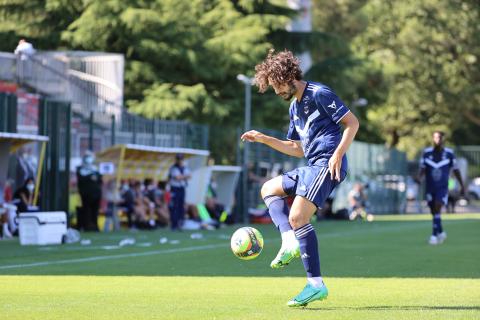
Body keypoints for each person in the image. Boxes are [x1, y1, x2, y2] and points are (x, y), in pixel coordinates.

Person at [241, 49, 359, 307]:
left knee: (297, 217)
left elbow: (352, 123)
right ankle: (289, 240)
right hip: (311, 164)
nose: (275, 92)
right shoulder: (294, 107)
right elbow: (298, 148)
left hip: (327, 164)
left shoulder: (319, 93)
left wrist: (338, 154)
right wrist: (264, 138)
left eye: (275, 85)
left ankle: (315, 284)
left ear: (287, 76)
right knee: (268, 189)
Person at [416, 131, 465, 245]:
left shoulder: (449, 153)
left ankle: (434, 236)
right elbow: (422, 168)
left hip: (442, 187)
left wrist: (462, 185)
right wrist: (419, 178)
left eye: (439, 137)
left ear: (443, 139)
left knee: (438, 206)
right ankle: (441, 232)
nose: (437, 139)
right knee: (433, 210)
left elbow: (456, 170)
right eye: (435, 137)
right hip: (430, 186)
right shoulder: (427, 153)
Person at [76, 151, 102, 231]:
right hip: (86, 195)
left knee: (95, 211)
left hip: (96, 194)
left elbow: (99, 179)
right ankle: (87, 226)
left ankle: (95, 226)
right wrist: (91, 177)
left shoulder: (95, 169)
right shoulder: (80, 169)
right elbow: (82, 179)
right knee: (86, 211)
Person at [168, 154, 191, 231]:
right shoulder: (173, 168)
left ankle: (180, 224)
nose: (180, 161)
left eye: (181, 159)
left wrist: (182, 177)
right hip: (175, 189)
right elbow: (177, 177)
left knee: (181, 207)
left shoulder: (185, 167)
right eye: (178, 159)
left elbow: (189, 176)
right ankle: (174, 224)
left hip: (182, 189)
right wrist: (184, 176)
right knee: (175, 206)